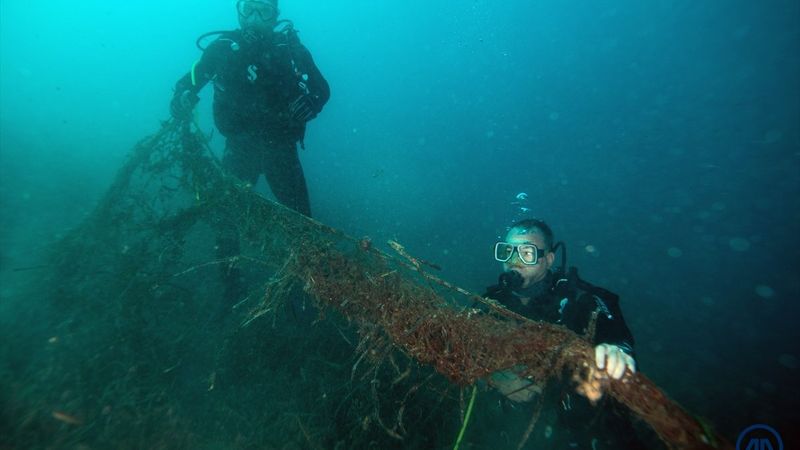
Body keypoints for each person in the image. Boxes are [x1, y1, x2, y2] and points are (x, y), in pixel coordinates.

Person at [480, 218, 639, 448]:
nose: (514, 261)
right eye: (507, 251)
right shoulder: (489, 304)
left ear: (548, 259)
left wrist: (616, 350)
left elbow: (615, 336)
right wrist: (493, 378)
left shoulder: (580, 299)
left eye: (527, 252)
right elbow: (462, 353)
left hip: (583, 433)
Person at [169, 0, 329, 217]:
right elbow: (189, 83)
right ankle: (227, 250)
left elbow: (321, 89)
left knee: (301, 221)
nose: (254, 17)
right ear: (239, 11)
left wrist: (313, 102)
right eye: (248, 9)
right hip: (238, 147)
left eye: (263, 11)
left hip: (281, 148)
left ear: (275, 16)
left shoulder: (289, 49)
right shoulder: (222, 48)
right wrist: (181, 98)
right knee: (227, 222)